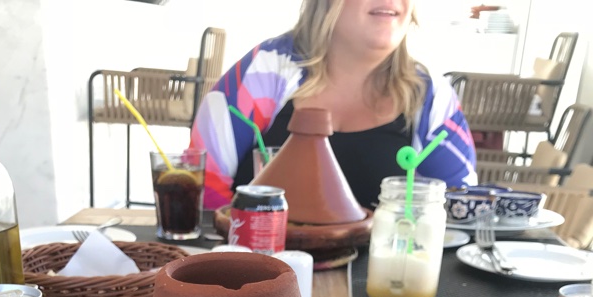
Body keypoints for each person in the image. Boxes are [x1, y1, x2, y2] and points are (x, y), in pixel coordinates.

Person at [190, 0, 477, 212]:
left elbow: (461, 210)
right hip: (257, 271)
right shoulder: (262, 72)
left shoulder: (431, 98)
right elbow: (199, 190)